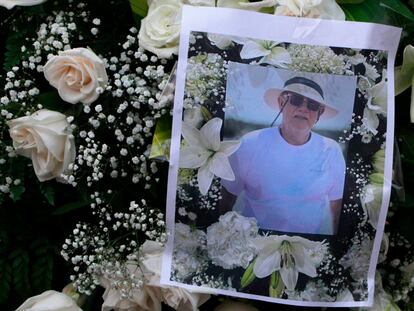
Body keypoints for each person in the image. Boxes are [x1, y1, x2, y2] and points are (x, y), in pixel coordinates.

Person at [220, 76, 346, 235]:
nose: (304, 109)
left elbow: (338, 207)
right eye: (296, 100)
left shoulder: (332, 150)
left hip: (310, 246)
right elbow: (225, 199)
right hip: (254, 241)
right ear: (281, 102)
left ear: (319, 114)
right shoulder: (248, 143)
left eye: (312, 105)